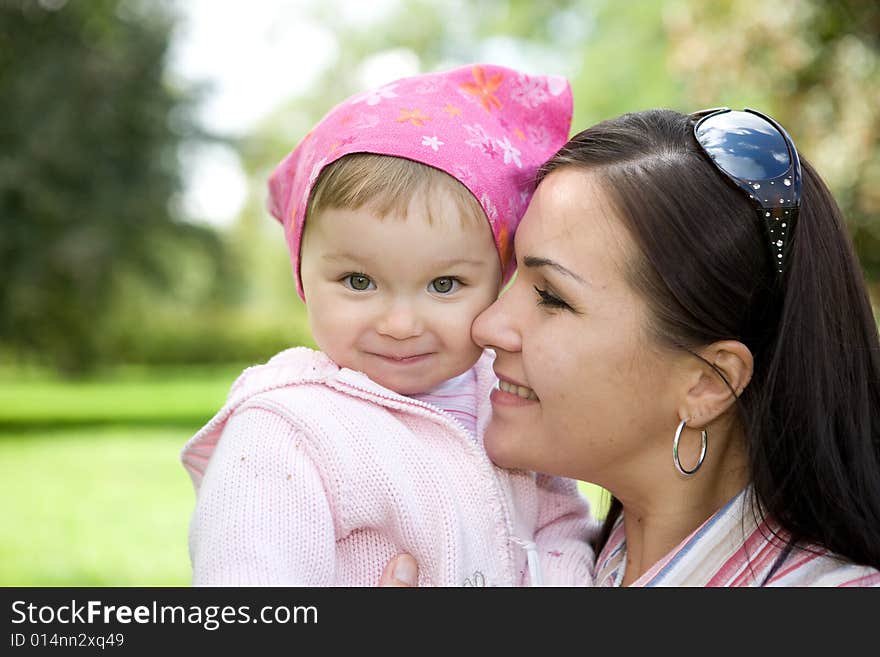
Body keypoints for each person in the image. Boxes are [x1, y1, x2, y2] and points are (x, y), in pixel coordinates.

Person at [379, 107, 880, 587]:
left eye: (552, 297)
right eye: (512, 278)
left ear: (708, 382)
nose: (486, 325)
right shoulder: (527, 565)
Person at [180, 64, 598, 586]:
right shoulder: (286, 431)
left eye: (444, 285)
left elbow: (561, 526)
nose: (400, 324)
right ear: (303, 275)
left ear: (499, 281)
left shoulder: (510, 399)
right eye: (358, 281)